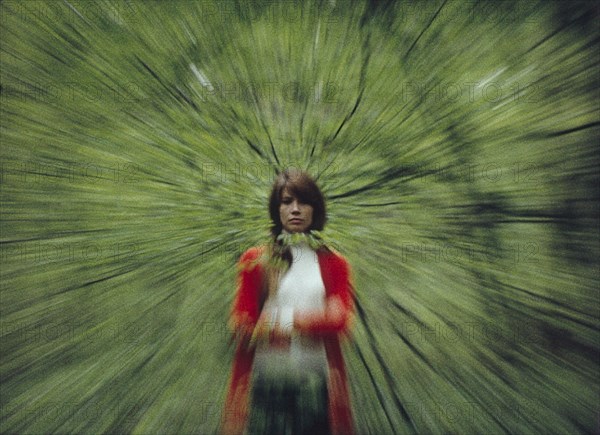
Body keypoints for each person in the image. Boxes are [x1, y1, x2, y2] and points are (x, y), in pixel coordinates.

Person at [220, 169, 355, 435]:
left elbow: (340, 322)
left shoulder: (335, 264)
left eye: (303, 202)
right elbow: (241, 322)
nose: (295, 209)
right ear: (276, 209)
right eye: (286, 202)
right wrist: (316, 321)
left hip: (317, 382)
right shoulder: (256, 260)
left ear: (315, 209)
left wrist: (281, 321)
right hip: (265, 381)